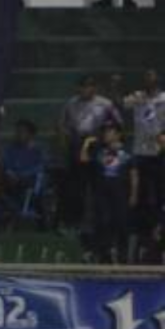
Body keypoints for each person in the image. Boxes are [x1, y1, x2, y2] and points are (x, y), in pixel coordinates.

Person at [59, 75, 123, 231]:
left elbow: (118, 123)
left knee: (99, 185)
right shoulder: (71, 103)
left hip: (98, 144)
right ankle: (75, 222)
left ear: (95, 88)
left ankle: (101, 221)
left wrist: (109, 141)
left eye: (89, 86)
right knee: (75, 187)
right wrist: (66, 138)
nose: (85, 89)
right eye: (82, 86)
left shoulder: (104, 104)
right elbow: (62, 124)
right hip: (78, 144)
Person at [82, 121, 138, 262]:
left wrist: (133, 194)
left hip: (121, 193)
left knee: (121, 223)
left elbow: (134, 175)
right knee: (103, 222)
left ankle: (123, 255)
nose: (106, 134)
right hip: (102, 193)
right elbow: (83, 159)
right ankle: (104, 253)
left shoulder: (127, 153)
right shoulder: (100, 151)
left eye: (110, 131)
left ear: (118, 134)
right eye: (105, 131)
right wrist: (86, 144)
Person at [122, 70, 165, 235]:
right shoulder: (137, 96)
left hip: (159, 152)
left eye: (152, 77)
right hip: (140, 152)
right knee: (141, 192)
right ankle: (142, 228)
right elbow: (122, 103)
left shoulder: (164, 98)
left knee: (160, 191)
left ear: (158, 80)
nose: (149, 79)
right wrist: (116, 87)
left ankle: (159, 225)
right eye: (146, 77)